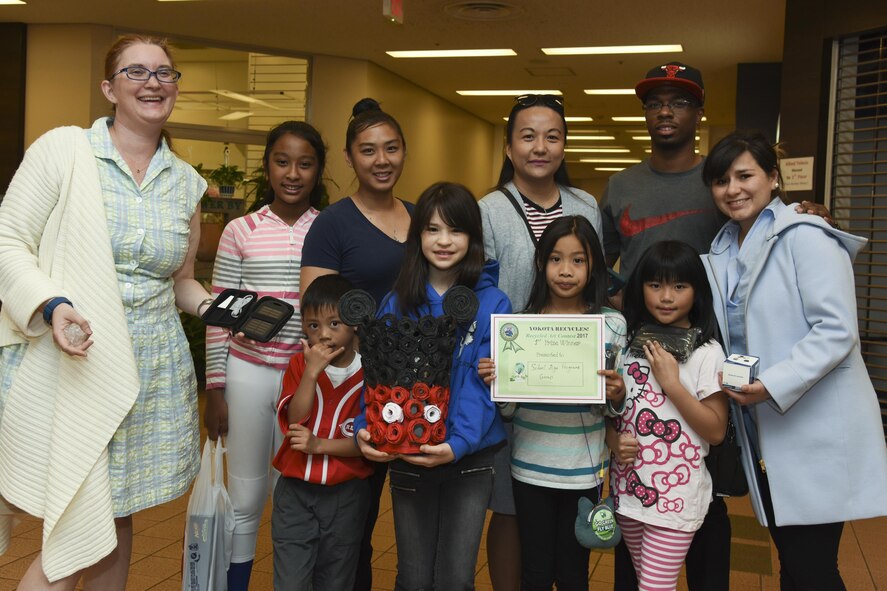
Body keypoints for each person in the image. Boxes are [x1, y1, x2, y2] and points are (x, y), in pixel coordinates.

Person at [0, 34, 211, 589]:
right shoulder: (63, 151)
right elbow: (7, 239)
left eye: (165, 73)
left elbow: (180, 282)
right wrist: (52, 305)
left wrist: (218, 307)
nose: (153, 83)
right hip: (73, 359)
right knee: (76, 520)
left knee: (117, 514)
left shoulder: (186, 184)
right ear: (108, 87)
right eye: (136, 72)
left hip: (150, 370)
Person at [701, 131, 887, 590]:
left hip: (814, 428)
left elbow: (838, 330)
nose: (734, 189)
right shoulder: (725, 247)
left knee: (812, 567)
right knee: (795, 563)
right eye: (722, 180)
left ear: (774, 178)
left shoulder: (807, 235)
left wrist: (772, 385)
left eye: (745, 175)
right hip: (764, 431)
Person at [355, 182, 511, 590]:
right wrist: (363, 428)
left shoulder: (495, 303)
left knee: (457, 578)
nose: (444, 241)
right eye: (432, 229)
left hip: (470, 458)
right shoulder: (397, 301)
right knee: (413, 576)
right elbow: (376, 375)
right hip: (410, 452)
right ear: (417, 235)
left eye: (456, 230)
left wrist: (457, 443)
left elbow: (484, 389)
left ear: (473, 238)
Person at [477, 94, 603, 590]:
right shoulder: (488, 208)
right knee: (510, 503)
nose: (539, 147)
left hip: (572, 385)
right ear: (509, 146)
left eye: (552, 136)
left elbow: (597, 284)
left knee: (563, 504)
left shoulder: (585, 206)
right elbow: (478, 287)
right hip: (509, 378)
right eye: (527, 136)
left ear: (565, 145)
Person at [203, 120, 325, 589]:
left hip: (308, 379)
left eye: (305, 163)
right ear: (268, 167)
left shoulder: (329, 229)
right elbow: (220, 313)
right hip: (247, 371)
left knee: (293, 495)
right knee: (246, 493)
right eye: (282, 161)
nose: (292, 173)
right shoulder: (241, 229)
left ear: (318, 171)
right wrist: (216, 388)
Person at [478, 215, 627, 590]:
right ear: (541, 264)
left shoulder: (612, 325)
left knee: (575, 573)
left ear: (594, 265)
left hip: (584, 470)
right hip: (530, 468)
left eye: (578, 260)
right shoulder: (521, 325)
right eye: (555, 259)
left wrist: (616, 394)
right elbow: (509, 412)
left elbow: (613, 408)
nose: (565, 271)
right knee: (536, 572)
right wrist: (501, 385)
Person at [300, 97, 413, 590]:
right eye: (368, 150)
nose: (381, 160)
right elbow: (317, 314)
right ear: (349, 157)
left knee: (413, 514)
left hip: (417, 388)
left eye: (391, 148)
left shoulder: (420, 217)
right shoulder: (333, 223)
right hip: (356, 389)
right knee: (353, 524)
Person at [609, 240, 728, 591]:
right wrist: (612, 438)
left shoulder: (708, 353)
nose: (666, 296)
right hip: (628, 491)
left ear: (697, 291)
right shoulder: (629, 343)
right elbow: (611, 417)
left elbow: (716, 430)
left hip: (677, 499)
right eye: (655, 284)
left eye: (679, 286)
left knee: (655, 587)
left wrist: (672, 384)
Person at [271, 274, 372, 590]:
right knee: (291, 580)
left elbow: (368, 443)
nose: (323, 335)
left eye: (334, 324)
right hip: (295, 493)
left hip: (347, 495)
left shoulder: (371, 372)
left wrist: (319, 445)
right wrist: (311, 374)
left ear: (354, 323)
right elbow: (295, 420)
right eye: (313, 326)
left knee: (336, 579)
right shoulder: (301, 365)